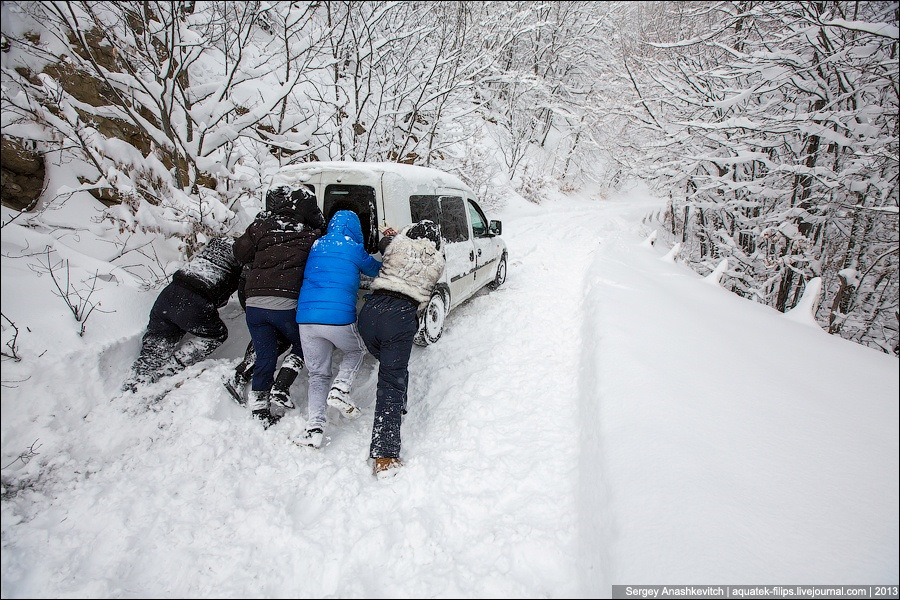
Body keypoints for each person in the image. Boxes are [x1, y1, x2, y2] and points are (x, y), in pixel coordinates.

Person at [356, 220, 444, 477]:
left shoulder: (395, 245)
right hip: (401, 316)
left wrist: (391, 234)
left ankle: (398, 403)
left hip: (371, 312)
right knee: (390, 380)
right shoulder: (438, 262)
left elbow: (387, 244)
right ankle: (385, 455)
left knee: (389, 367)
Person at [233, 185, 325, 428]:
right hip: (285, 305)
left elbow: (239, 252)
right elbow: (323, 233)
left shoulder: (262, 227)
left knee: (266, 355)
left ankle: (259, 409)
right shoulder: (308, 235)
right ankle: (282, 384)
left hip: (254, 305)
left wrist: (258, 227)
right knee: (304, 343)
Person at [294, 210, 383, 448]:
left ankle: (314, 427)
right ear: (355, 230)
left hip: (307, 318)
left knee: (317, 374)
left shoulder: (316, 245)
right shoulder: (353, 247)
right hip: (337, 317)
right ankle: (341, 388)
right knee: (356, 351)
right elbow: (377, 270)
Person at [122, 236, 242, 394]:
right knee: (216, 334)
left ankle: (132, 385)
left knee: (155, 348)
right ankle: (172, 368)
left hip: (168, 296)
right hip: (196, 301)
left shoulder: (215, 246)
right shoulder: (243, 256)